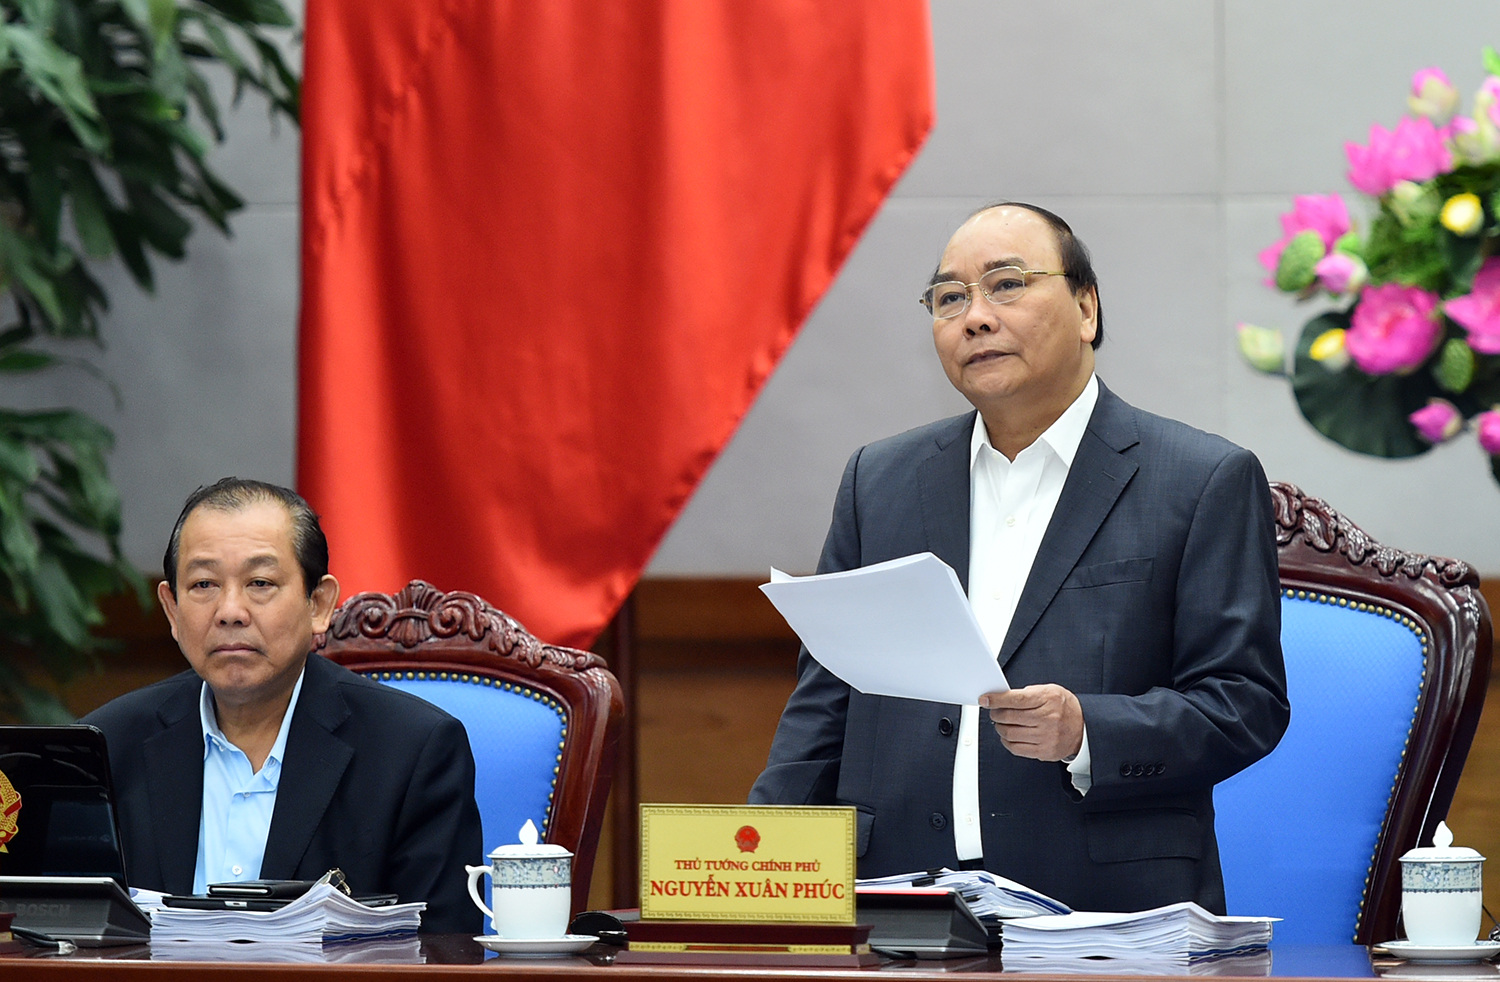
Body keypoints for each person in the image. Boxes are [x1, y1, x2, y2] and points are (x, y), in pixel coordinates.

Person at [749, 203, 1290, 915]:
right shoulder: (877, 481)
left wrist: (1089, 729)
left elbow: (1244, 703)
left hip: (1106, 913)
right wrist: (756, 875)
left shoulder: (1199, 480)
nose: (975, 316)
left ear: (1087, 307)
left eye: (1006, 285)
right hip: (899, 910)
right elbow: (825, 705)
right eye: (949, 298)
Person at [83, 478, 483, 933]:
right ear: (172, 611)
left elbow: (443, 955)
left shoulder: (412, 752)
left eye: (260, 582)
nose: (230, 610)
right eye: (204, 584)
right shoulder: (107, 747)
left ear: (319, 604)